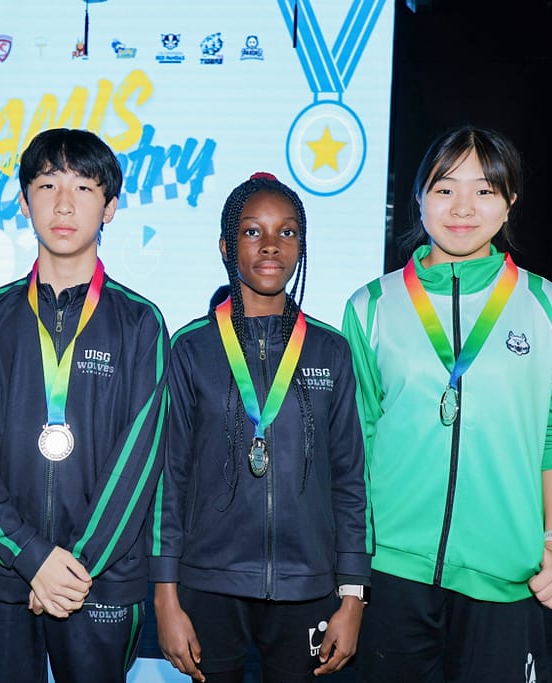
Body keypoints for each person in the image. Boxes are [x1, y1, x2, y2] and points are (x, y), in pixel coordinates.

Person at [341, 126, 552, 682]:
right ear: (419, 197)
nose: (462, 208)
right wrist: (352, 566)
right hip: (393, 570)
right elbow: (357, 442)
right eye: (445, 188)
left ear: (510, 202)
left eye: (483, 190)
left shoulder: (551, 309)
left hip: (505, 571)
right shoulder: (371, 306)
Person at [0, 128, 170, 683]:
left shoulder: (140, 322)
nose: (64, 204)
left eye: (84, 188)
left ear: (110, 207)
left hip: (101, 579)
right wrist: (31, 557)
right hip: (3, 575)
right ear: (24, 202)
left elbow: (139, 462)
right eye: (47, 185)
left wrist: (70, 571)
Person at [151, 172, 371, 683]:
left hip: (307, 584)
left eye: (286, 232)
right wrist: (164, 596)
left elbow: (350, 480)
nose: (271, 245)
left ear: (301, 245)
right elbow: (168, 479)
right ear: (226, 246)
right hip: (209, 581)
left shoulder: (330, 350)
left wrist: (353, 594)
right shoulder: (191, 348)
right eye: (253, 231)